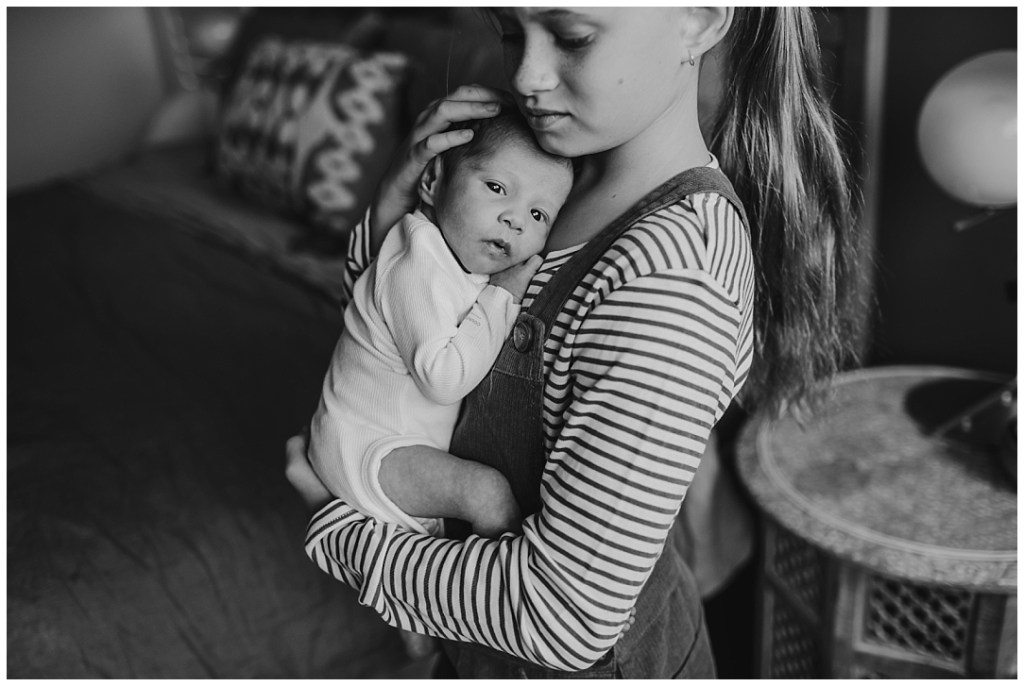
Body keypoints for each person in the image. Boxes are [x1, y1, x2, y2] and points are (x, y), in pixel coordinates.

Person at [286, 7, 865, 678]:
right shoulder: (548, 164)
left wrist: (340, 531)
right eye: (509, 31)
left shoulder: (671, 275)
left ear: (697, 21)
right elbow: (386, 333)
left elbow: (563, 618)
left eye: (571, 37)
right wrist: (396, 201)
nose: (526, 76)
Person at [308, 110, 573, 539]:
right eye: (497, 188)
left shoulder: (453, 259)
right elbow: (443, 379)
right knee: (485, 493)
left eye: (539, 214)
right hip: (367, 445)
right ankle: (502, 576)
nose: (516, 219)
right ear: (432, 183)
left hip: (389, 444)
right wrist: (502, 297)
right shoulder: (418, 263)